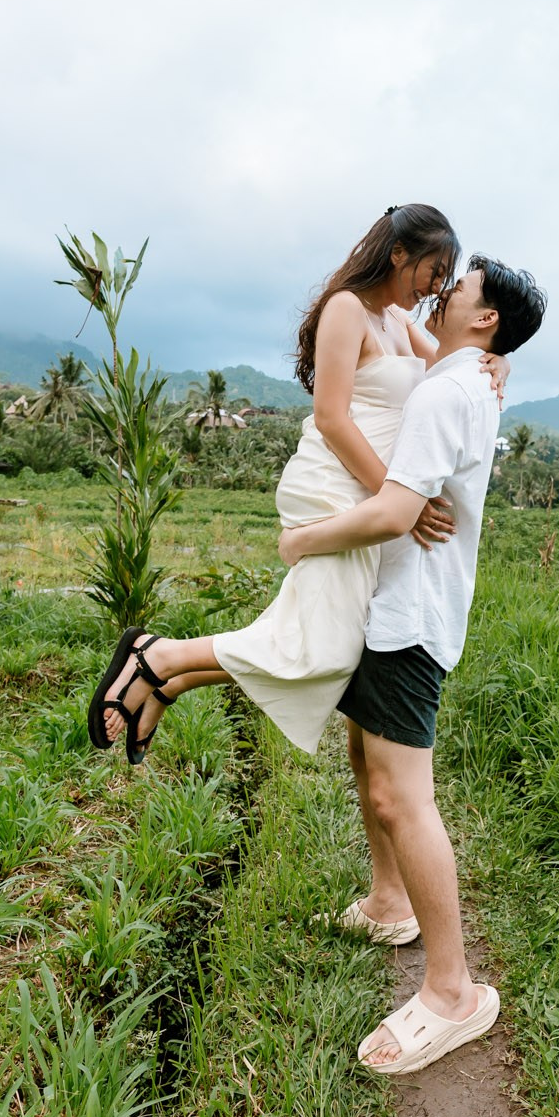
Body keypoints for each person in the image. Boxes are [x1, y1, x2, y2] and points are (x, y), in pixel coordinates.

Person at [86, 204, 505, 763]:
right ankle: (157, 660)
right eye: (434, 268)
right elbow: (331, 418)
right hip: (335, 484)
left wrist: (500, 362)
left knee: (325, 646)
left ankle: (164, 674)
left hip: (368, 494)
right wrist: (397, 498)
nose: (437, 286)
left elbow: (459, 363)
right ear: (399, 253)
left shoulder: (402, 324)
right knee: (322, 650)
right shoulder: (346, 310)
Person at [275, 255, 546, 1075]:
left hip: (409, 619)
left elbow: (397, 509)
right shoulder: (464, 377)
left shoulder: (447, 391)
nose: (443, 292)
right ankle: (390, 904)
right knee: (367, 758)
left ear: (485, 316)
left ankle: (453, 991)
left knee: (401, 794)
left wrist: (302, 539)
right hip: (396, 606)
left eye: (458, 288)